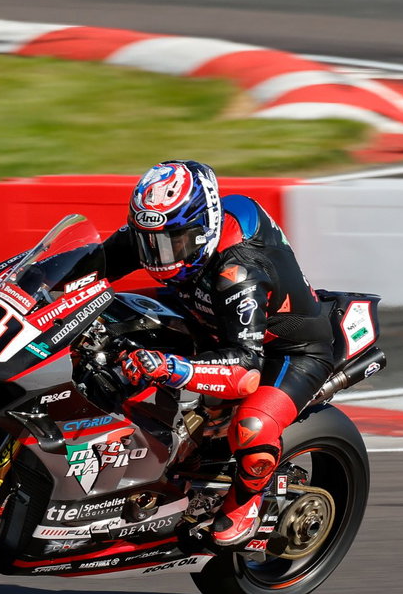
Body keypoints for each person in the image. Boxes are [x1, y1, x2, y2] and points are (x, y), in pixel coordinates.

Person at [100, 160, 342, 547]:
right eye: (150, 243)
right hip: (208, 319)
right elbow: (91, 263)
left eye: (174, 243)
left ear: (204, 228)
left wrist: (169, 366)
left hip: (284, 352)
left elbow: (244, 372)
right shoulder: (168, 227)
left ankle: (246, 502)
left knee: (253, 427)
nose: (160, 257)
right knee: (106, 316)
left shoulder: (240, 270)